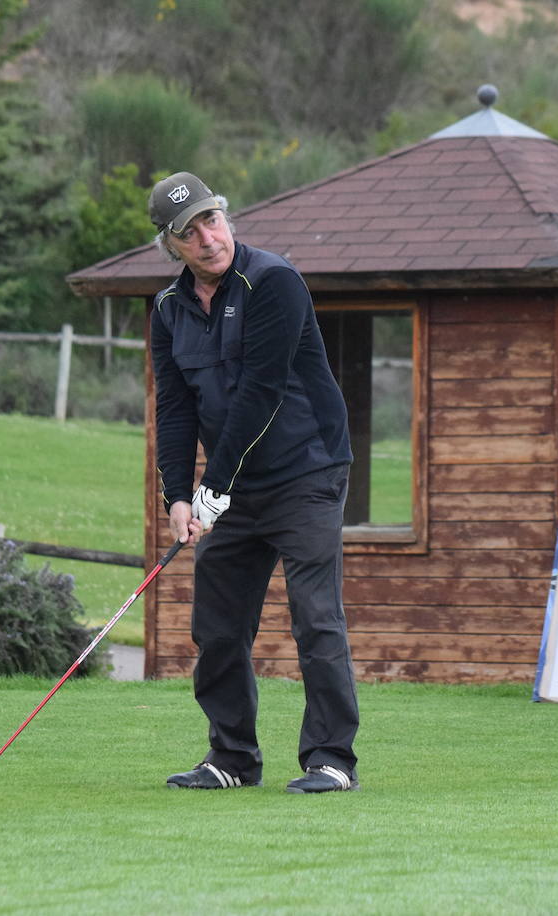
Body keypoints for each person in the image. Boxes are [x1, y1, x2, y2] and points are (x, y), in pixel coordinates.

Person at [146, 171, 360, 794]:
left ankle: (330, 761)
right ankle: (232, 759)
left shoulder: (274, 282)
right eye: (189, 232)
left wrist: (215, 484)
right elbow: (177, 410)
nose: (208, 238)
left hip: (307, 469)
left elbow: (260, 392)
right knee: (217, 623)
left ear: (226, 218)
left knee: (315, 616)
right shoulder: (168, 310)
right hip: (234, 486)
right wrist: (179, 496)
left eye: (212, 220)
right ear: (172, 245)